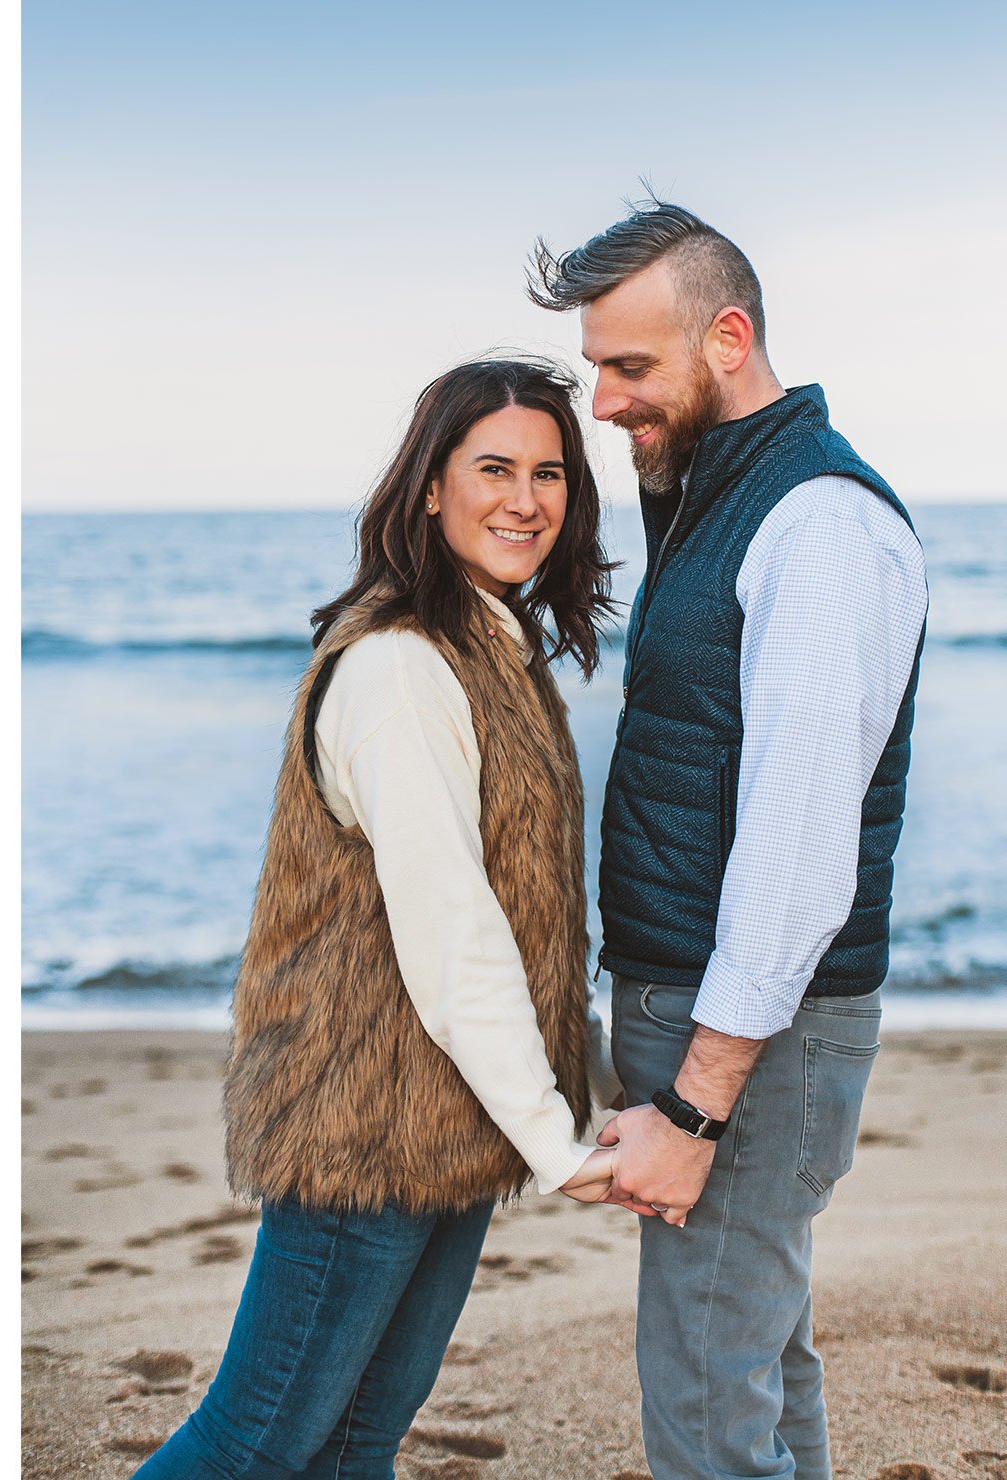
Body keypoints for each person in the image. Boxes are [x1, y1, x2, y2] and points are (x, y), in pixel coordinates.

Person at [135, 358, 628, 1480]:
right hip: (363, 1123)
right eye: (491, 467)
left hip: (456, 1122)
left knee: (356, 1442)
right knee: (253, 1440)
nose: (524, 498)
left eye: (548, 472)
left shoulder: (490, 644)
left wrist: (579, 1086)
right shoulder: (400, 666)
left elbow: (527, 917)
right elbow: (454, 930)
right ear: (427, 488)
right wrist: (557, 1138)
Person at [528, 199, 928, 1479]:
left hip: (749, 1036)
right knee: (754, 1356)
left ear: (727, 338)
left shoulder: (813, 526)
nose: (599, 402)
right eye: (596, 365)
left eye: (628, 367)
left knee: (706, 1392)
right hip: (721, 1017)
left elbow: (799, 847)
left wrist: (693, 1112)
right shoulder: (716, 499)